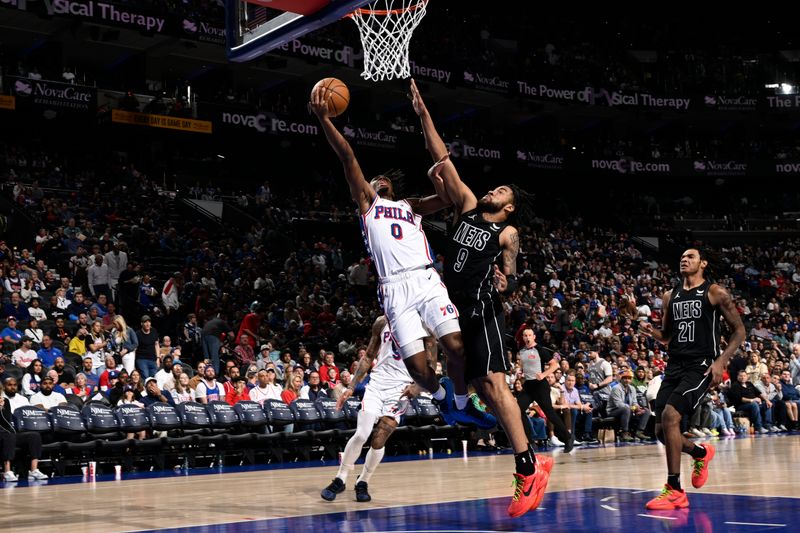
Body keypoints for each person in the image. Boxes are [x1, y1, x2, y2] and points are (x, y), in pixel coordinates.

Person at [309, 85, 491, 431]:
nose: (377, 182)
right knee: (418, 368)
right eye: (373, 180)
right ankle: (444, 404)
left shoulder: (411, 206)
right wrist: (324, 120)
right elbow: (348, 157)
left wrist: (436, 179)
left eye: (382, 180)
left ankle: (462, 405)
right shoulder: (368, 203)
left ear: (392, 186)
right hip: (394, 287)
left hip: (424, 277)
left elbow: (448, 198)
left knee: (456, 346)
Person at [409, 78, 549, 517]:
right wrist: (423, 113)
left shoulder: (507, 230)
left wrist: (508, 279)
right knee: (479, 389)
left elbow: (510, 272)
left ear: (509, 207)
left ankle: (528, 466)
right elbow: (442, 157)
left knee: (494, 383)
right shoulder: (467, 205)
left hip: (483, 308)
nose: (494, 190)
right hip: (453, 307)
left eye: (503, 192)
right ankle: (470, 411)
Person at [638, 248, 745, 510]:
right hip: (675, 366)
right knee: (661, 431)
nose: (684, 259)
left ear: (703, 263)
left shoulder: (715, 292)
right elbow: (667, 337)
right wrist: (650, 331)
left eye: (691, 257)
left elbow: (740, 331)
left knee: (671, 416)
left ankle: (674, 489)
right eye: (682, 257)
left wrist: (721, 361)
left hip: (701, 366)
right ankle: (701, 453)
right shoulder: (669, 296)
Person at [320, 316, 424, 502]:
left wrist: (417, 386)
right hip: (376, 384)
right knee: (362, 433)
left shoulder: (423, 324)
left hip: (400, 390)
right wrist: (351, 386)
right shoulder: (381, 322)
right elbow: (368, 356)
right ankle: (341, 477)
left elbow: (430, 364)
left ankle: (363, 481)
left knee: (379, 438)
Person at [515, 328, 574, 452]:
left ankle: (568, 437)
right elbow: (525, 366)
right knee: (517, 410)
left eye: (529, 335)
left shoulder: (540, 350)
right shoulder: (522, 351)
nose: (527, 337)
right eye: (525, 335)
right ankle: (530, 441)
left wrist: (543, 374)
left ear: (534, 337)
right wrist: (521, 372)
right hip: (528, 385)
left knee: (549, 413)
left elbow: (555, 365)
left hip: (540, 385)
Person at [1, 378, 48, 481]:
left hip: (9, 432)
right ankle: (7, 471)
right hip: (3, 434)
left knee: (34, 436)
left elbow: (6, 421)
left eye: (14, 385)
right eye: (9, 385)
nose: (13, 387)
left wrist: (2, 409)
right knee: (8, 435)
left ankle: (33, 470)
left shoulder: (6, 402)